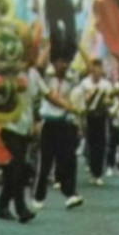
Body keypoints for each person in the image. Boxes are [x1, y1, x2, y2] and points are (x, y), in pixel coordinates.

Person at [33, 56, 85, 209]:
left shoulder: (73, 78)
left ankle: (71, 193)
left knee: (68, 160)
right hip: (48, 121)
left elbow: (78, 101)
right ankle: (38, 196)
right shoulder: (46, 77)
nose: (62, 64)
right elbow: (39, 65)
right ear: (54, 62)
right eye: (59, 61)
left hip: (66, 122)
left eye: (65, 62)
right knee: (45, 161)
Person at [0, 62, 42, 224]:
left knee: (14, 170)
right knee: (17, 169)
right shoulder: (8, 71)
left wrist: (36, 120)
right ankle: (20, 208)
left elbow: (39, 97)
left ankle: (2, 205)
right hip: (9, 126)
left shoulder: (33, 74)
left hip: (25, 127)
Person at [75, 58, 113, 187]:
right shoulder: (85, 83)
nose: (96, 72)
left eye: (99, 69)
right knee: (90, 143)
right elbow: (79, 99)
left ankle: (98, 173)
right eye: (94, 69)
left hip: (101, 116)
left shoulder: (106, 85)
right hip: (89, 116)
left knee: (101, 144)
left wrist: (108, 103)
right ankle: (92, 170)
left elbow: (111, 101)